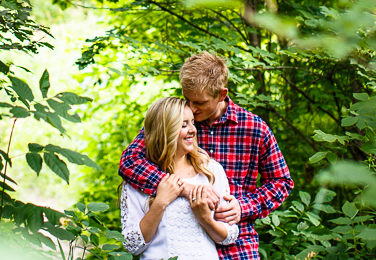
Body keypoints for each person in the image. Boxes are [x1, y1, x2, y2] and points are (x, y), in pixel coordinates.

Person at [120, 52, 293, 260]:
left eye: (199, 103)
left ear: (221, 94)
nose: (192, 108)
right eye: (187, 99)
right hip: (185, 241)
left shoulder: (254, 129)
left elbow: (281, 182)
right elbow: (130, 161)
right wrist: (182, 188)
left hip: (236, 245)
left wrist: (243, 206)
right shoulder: (177, 123)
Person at [120, 96, 239, 260]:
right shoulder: (138, 178)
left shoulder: (210, 170)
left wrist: (205, 219)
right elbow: (132, 245)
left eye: (192, 122)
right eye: (184, 125)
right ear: (164, 131)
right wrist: (160, 202)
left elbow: (229, 235)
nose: (193, 130)